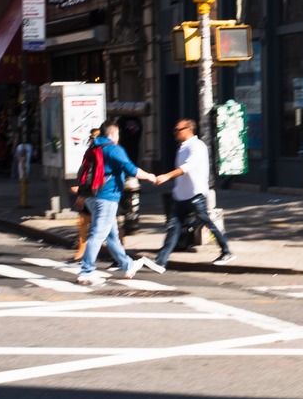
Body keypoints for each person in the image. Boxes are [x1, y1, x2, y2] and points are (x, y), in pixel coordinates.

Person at [76, 121, 161, 285]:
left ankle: (127, 265)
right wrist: (150, 176)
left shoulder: (94, 147)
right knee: (98, 234)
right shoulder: (114, 149)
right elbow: (131, 169)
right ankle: (86, 270)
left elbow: (84, 171)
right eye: (118, 134)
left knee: (112, 234)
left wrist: (81, 194)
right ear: (114, 134)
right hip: (107, 197)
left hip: (91, 196)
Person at [153, 117, 236, 269]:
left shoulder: (197, 146)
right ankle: (161, 260)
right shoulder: (182, 147)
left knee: (207, 223)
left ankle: (226, 251)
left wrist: (167, 176)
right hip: (181, 195)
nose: (175, 133)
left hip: (195, 194)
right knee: (173, 227)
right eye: (175, 130)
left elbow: (188, 167)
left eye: (178, 130)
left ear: (189, 130)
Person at [68, 125, 104, 263]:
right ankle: (81, 251)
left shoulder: (103, 153)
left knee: (112, 227)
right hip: (88, 192)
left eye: (94, 137)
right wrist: (81, 192)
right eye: (91, 137)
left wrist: (82, 192)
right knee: (83, 222)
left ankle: (120, 256)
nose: (92, 140)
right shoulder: (90, 153)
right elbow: (84, 173)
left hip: (101, 193)